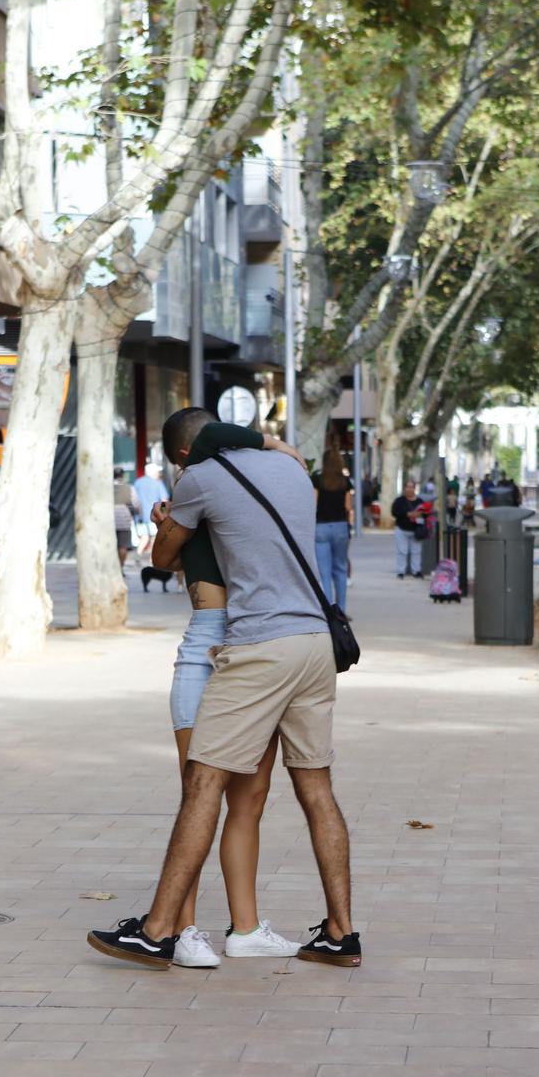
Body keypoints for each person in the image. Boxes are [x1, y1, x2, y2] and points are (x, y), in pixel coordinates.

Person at [90, 406, 358, 970]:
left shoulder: (201, 480)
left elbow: (163, 556)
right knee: (316, 789)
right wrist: (266, 438)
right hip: (316, 642)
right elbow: (282, 451)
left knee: (203, 783)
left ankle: (158, 929)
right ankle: (340, 934)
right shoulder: (291, 471)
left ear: (187, 454)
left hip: (259, 645)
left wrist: (172, 513)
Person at [147, 415, 307, 968]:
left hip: (257, 645)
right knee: (200, 793)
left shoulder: (243, 480)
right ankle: (184, 930)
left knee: (250, 797)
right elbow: (160, 558)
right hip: (208, 646)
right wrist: (169, 523)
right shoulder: (194, 491)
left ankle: (244, 928)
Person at [313, 445, 353, 611]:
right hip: (340, 527)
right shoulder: (345, 482)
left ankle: (328, 610)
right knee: (341, 569)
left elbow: (312, 504)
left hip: (320, 527)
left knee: (324, 572)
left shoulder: (317, 479)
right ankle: (341, 610)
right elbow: (348, 507)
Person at [391, 484, 425, 577]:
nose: (409, 489)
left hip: (416, 530)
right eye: (407, 487)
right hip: (401, 529)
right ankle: (401, 571)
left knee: (416, 551)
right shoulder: (399, 501)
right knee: (402, 551)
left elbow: (426, 513)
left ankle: (416, 571)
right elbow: (394, 512)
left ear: (414, 489)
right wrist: (408, 514)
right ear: (404, 488)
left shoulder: (420, 501)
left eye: (412, 487)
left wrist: (419, 514)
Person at [113, 467, 136, 566]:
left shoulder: (107, 487)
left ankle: (113, 567)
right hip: (124, 518)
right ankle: (120, 567)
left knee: (111, 545)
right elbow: (135, 502)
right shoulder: (129, 487)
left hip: (110, 519)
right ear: (122, 475)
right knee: (123, 546)